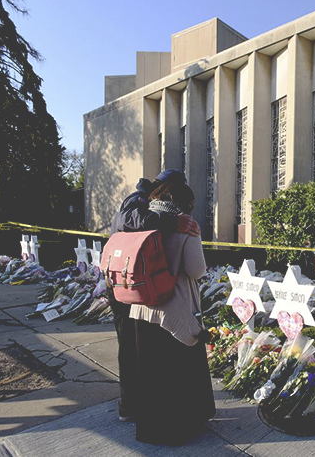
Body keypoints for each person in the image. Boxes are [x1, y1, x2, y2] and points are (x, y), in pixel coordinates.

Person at [109, 170, 200, 422]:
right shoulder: (137, 199)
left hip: (135, 281)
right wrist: (174, 223)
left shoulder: (151, 204)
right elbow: (128, 219)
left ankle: (140, 403)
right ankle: (129, 406)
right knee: (128, 345)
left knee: (137, 347)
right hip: (123, 284)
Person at [129, 180, 215, 445]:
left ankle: (150, 430)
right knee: (177, 375)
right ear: (183, 203)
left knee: (151, 375)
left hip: (142, 308)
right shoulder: (185, 227)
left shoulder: (142, 223)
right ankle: (177, 429)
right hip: (173, 312)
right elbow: (196, 269)